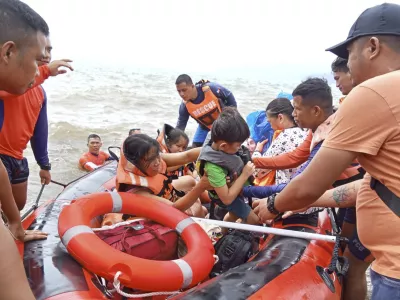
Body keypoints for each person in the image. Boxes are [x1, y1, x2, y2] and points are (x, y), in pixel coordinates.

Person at [254, 3, 400, 299]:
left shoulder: (374, 93)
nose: (348, 66)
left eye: (350, 55)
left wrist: (272, 205)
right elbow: (377, 183)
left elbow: (307, 184)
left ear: (372, 47)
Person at [0, 0, 53, 298]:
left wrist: (15, 223)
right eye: (38, 59)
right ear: (9, 52)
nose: (41, 68)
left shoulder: (35, 94)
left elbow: (39, 131)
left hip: (16, 160)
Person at [0, 37, 73, 211]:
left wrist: (44, 165)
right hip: (1, 154)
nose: (46, 55)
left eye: (49, 50)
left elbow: (40, 131)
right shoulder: (8, 81)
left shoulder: (40, 92)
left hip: (17, 157)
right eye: (42, 50)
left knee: (18, 205)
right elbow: (7, 92)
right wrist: (46, 71)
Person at [116, 134, 209, 217]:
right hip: (159, 215)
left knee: (190, 181)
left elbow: (186, 156)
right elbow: (174, 209)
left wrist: (213, 150)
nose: (157, 162)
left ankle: (205, 207)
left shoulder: (152, 157)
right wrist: (201, 186)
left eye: (157, 156)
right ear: (134, 164)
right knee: (198, 207)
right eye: (150, 160)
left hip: (162, 196)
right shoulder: (137, 192)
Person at [197, 107, 259, 225]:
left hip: (230, 185)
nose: (240, 148)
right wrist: (245, 174)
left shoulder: (217, 138)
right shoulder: (213, 168)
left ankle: (222, 232)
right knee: (254, 220)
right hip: (222, 197)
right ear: (223, 146)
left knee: (234, 215)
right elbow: (227, 199)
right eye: (238, 145)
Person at [252, 98, 307, 185]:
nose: (270, 126)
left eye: (270, 122)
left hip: (287, 190)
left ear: (280, 117)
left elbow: (257, 171)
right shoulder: (307, 131)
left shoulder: (284, 136)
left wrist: (257, 151)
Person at [175, 74, 237, 147]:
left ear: (192, 86)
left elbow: (229, 96)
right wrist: (173, 140)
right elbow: (181, 126)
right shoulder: (184, 106)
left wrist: (232, 119)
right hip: (205, 128)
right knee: (195, 148)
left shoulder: (212, 88)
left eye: (184, 90)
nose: (182, 94)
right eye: (179, 91)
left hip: (225, 124)